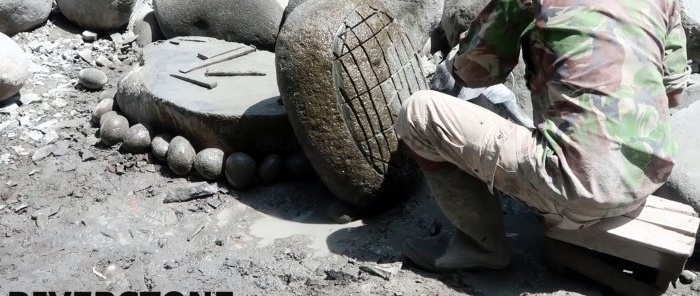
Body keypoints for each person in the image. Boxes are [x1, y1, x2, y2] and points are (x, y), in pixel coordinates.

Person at [395, 0, 691, 272]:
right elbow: (674, 92)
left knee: (418, 113)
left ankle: (480, 247)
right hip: (648, 175)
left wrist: (455, 62)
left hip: (582, 186)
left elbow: (475, 70)